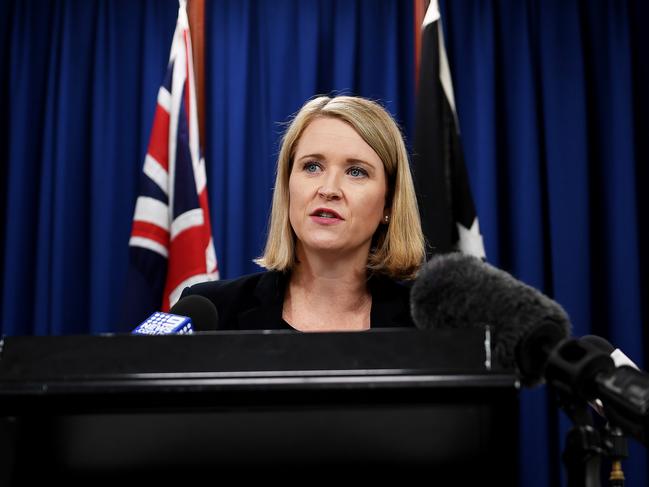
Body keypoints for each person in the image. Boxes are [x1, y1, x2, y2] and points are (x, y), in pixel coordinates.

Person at [180, 95, 425, 331]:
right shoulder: (207, 311)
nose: (329, 190)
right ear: (287, 188)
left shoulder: (425, 325)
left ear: (389, 202)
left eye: (356, 172)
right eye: (312, 166)